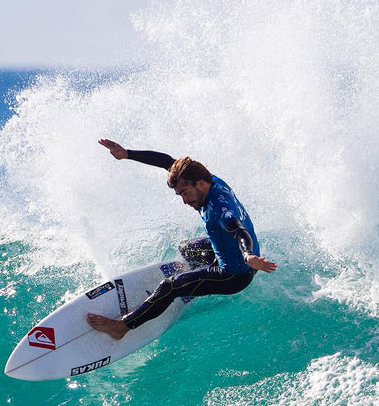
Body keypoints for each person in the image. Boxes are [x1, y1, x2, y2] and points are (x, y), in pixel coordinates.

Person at [86, 139, 277, 340]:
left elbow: (238, 231)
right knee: (186, 248)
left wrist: (248, 255)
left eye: (185, 193)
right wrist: (127, 154)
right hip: (232, 252)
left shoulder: (219, 209)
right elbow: (166, 161)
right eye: (180, 195)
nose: (185, 201)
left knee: (170, 287)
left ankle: (122, 327)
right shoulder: (208, 180)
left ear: (200, 184)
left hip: (235, 274)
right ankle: (196, 276)